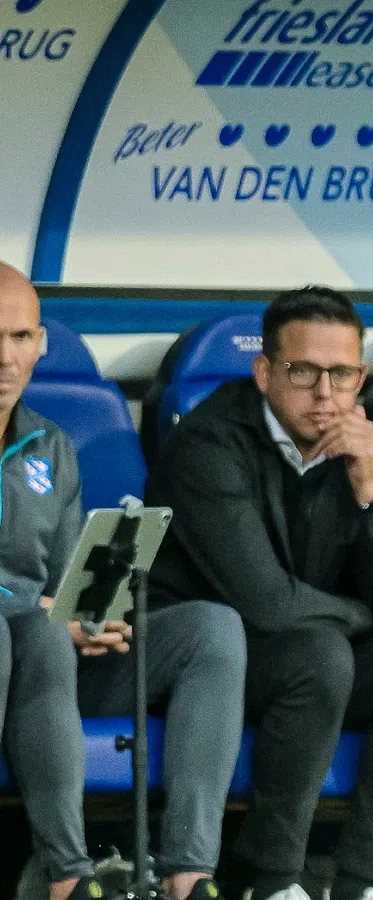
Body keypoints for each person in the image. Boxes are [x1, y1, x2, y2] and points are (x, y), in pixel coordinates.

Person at [146, 287, 373, 900]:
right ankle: (272, 880)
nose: (325, 394)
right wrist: (360, 616)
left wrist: (371, 490)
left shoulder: (363, 445)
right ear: (265, 372)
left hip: (317, 659)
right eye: (303, 372)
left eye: (342, 374)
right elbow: (265, 604)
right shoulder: (208, 444)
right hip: (214, 668)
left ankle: (366, 882)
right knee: (317, 656)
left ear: (362, 377)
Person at [0, 263, 246, 900]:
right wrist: (45, 611)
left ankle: (188, 874)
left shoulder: (49, 445)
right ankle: (68, 875)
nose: (8, 356)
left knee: (211, 629)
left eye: (23, 337)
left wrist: (89, 614)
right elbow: (34, 601)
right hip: (16, 650)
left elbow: (61, 580)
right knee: (35, 631)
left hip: (48, 662)